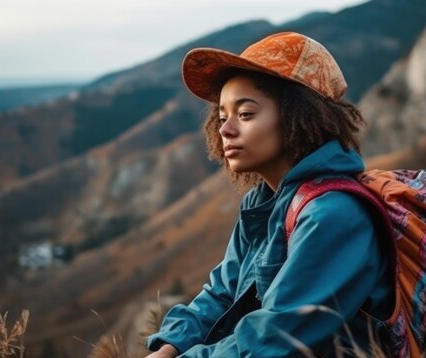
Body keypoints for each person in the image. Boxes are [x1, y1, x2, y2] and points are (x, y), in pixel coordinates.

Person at [145, 32, 393, 357]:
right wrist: (169, 347)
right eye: (222, 117)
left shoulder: (333, 214)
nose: (225, 130)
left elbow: (276, 338)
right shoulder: (262, 201)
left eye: (245, 114)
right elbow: (223, 292)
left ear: (298, 117)